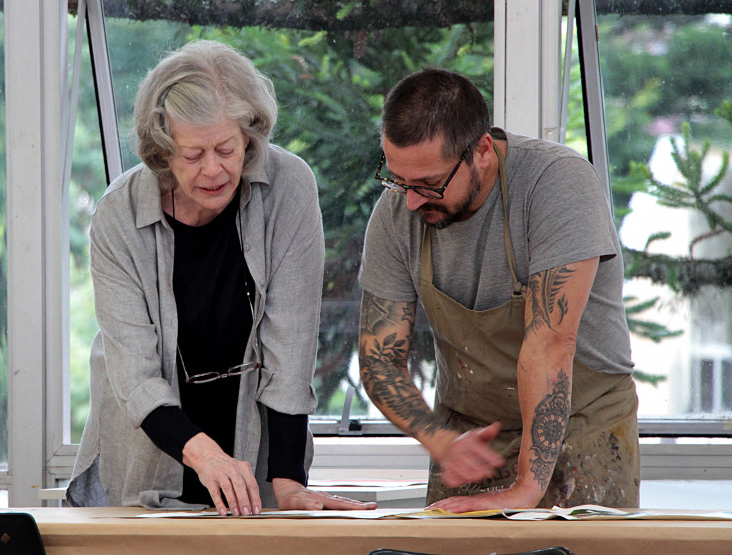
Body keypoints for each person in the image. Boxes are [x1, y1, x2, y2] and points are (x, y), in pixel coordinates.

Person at [67, 40, 375, 516]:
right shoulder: (118, 216)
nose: (213, 169)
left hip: (259, 461)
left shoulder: (289, 188)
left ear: (249, 137)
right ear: (162, 151)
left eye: (227, 149)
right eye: (193, 155)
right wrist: (206, 455)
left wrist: (289, 480)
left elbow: (290, 350)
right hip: (148, 461)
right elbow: (133, 374)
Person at [358, 68, 640, 512]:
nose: (411, 200)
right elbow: (379, 361)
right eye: (397, 179)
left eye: (430, 184)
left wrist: (527, 488)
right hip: (473, 442)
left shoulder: (557, 183)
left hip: (580, 429)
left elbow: (549, 344)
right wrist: (442, 441)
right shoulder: (398, 211)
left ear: (482, 151)